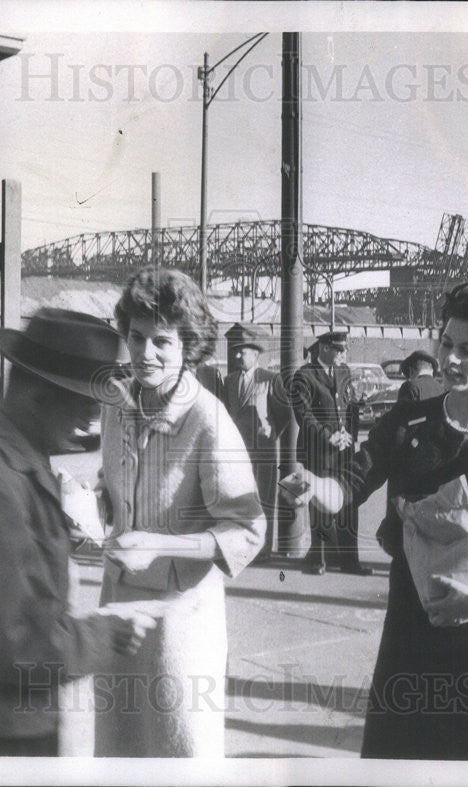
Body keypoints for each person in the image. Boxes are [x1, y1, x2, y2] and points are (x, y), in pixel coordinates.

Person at [282, 282, 468, 759]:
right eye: (446, 343)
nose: (451, 358)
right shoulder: (408, 421)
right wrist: (315, 487)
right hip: (412, 629)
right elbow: (352, 483)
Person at [0, 308, 158, 757]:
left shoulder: (10, 462)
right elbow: (11, 646)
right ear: (38, 396)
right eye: (80, 404)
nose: (88, 421)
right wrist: (106, 634)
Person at [95, 267, 266, 757]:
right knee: (119, 751)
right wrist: (91, 501)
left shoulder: (208, 418)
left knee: (179, 752)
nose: (145, 354)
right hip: (119, 602)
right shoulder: (116, 403)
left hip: (181, 618)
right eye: (136, 337)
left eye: (162, 342)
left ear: (187, 346)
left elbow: (248, 529)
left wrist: (160, 543)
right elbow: (114, 482)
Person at [289, 329, 372, 576]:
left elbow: (348, 406)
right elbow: (304, 415)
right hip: (319, 452)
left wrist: (350, 433)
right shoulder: (304, 376)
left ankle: (349, 561)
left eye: (344, 349)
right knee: (320, 504)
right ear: (324, 348)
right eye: (339, 349)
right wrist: (329, 436)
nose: (343, 354)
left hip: (344, 450)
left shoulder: (344, 372)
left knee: (349, 502)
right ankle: (319, 558)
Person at [222, 323, 294, 561]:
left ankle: (262, 549)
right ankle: (242, 546)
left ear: (256, 355)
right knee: (240, 498)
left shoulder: (270, 379)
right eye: (236, 351)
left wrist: (272, 431)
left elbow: (285, 413)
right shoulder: (230, 381)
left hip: (263, 450)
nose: (238, 355)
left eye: (243, 352)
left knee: (264, 499)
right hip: (238, 451)